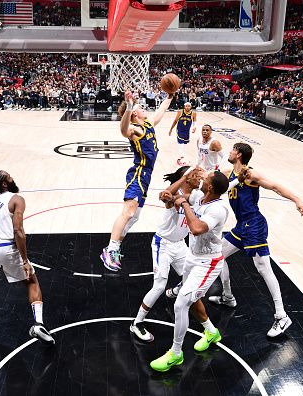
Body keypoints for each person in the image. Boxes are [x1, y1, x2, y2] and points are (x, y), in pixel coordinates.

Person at [208, 142, 303, 337]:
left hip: (254, 225)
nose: (229, 151)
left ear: (238, 154)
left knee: (263, 268)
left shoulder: (251, 175)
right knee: (218, 255)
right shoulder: (229, 173)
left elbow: (276, 187)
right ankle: (228, 297)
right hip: (241, 226)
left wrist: (297, 200)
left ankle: (281, 315)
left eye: (232, 150)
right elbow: (210, 177)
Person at [150, 171, 234, 372]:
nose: (202, 179)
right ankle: (211, 332)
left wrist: (184, 204)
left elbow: (196, 228)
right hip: (192, 257)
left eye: (205, 179)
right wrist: (171, 195)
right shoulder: (199, 196)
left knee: (180, 304)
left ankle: (176, 354)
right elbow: (173, 196)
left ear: (211, 187)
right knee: (192, 298)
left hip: (208, 263)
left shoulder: (218, 209)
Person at [0, 170, 54, 344]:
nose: (12, 177)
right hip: (6, 247)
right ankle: (38, 324)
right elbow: (18, 231)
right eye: (9, 177)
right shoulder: (16, 199)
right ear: (5, 184)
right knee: (31, 281)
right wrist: (25, 260)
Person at [100, 90, 173, 271]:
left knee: (134, 218)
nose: (143, 108)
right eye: (140, 108)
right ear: (134, 113)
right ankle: (111, 250)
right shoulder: (134, 129)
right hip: (138, 173)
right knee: (129, 212)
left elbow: (161, 111)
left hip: (147, 176)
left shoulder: (147, 123)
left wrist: (170, 97)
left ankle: (112, 247)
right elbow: (123, 130)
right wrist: (129, 107)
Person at [130, 166, 201, 342]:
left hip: (180, 246)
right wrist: (184, 177)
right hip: (163, 245)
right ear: (187, 178)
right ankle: (137, 323)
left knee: (193, 279)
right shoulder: (173, 197)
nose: (199, 179)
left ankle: (177, 289)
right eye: (195, 176)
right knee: (159, 286)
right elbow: (165, 195)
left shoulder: (196, 196)